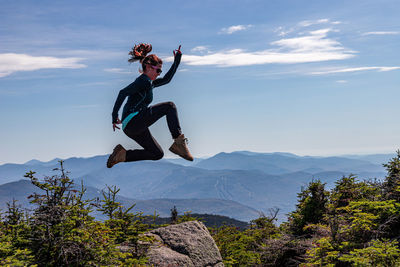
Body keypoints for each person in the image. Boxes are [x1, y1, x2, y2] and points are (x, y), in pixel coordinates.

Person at [107, 43, 193, 168]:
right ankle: (179, 143)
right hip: (133, 121)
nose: (159, 73)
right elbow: (122, 92)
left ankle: (122, 155)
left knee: (157, 153)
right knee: (170, 106)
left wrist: (177, 61)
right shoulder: (142, 81)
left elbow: (167, 79)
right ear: (148, 67)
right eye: (158, 70)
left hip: (133, 128)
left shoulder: (149, 83)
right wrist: (114, 116)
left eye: (160, 70)